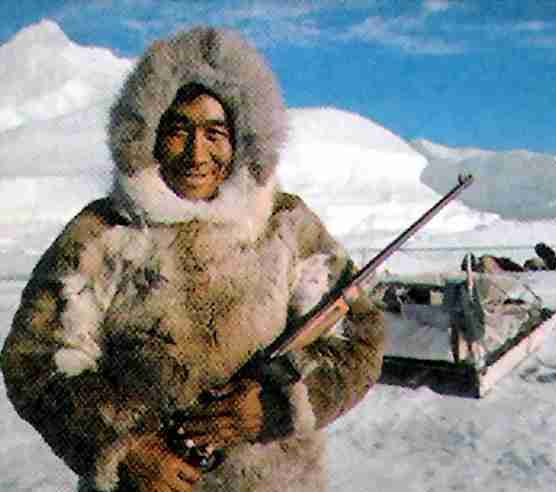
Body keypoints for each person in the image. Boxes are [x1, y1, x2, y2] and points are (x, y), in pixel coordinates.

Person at [0, 27, 386, 492]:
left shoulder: (286, 225)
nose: (196, 153)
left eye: (214, 133)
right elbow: (37, 359)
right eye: (178, 130)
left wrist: (277, 404)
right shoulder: (104, 233)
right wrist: (128, 451)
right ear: (148, 136)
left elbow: (357, 338)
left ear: (242, 140)